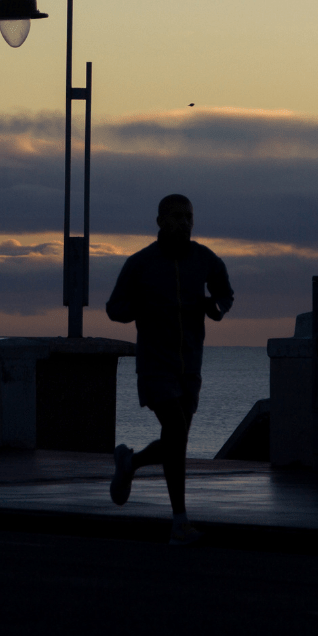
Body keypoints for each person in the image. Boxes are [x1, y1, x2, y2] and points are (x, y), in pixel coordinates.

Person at [105, 194, 233, 546]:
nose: (184, 223)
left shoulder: (205, 259)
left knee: (175, 441)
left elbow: (225, 293)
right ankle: (179, 523)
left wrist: (215, 307)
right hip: (154, 365)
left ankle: (130, 463)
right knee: (176, 429)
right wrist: (139, 307)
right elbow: (114, 307)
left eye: (189, 217)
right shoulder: (140, 263)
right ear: (160, 221)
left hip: (190, 365)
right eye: (176, 216)